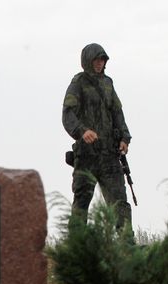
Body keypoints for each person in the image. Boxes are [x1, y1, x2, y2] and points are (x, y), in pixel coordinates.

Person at [62, 43, 132, 228]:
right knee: (82, 201)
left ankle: (126, 240)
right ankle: (77, 241)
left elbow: (117, 112)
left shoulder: (108, 84)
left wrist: (125, 138)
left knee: (119, 201)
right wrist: (82, 131)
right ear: (88, 61)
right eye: (96, 60)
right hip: (87, 155)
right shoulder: (78, 83)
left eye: (102, 60)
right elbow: (68, 113)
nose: (100, 63)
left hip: (109, 154)